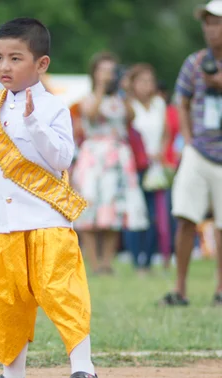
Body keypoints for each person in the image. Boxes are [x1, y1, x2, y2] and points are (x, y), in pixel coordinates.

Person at [0, 18, 99, 378]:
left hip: (46, 223)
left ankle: (83, 372)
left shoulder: (55, 108)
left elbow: (61, 157)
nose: (4, 66)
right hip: (2, 228)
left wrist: (34, 121)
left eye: (16, 58)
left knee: (63, 295)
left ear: (41, 64)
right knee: (6, 303)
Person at [161, 0, 222, 306]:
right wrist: (186, 139)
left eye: (217, 22)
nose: (212, 29)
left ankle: (221, 290)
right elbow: (180, 102)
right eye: (208, 23)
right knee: (185, 217)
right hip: (198, 150)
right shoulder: (195, 62)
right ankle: (180, 288)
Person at [72, 52, 148, 274]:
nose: (108, 74)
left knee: (114, 209)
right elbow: (92, 114)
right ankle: (94, 262)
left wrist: (123, 90)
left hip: (117, 155)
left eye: (111, 70)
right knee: (89, 207)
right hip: (94, 155)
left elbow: (131, 117)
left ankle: (107, 263)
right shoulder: (88, 97)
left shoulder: (119, 99)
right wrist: (100, 88)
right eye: (103, 70)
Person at [124, 64, 173, 273]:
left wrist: (161, 151)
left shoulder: (159, 103)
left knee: (156, 213)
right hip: (135, 165)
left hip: (154, 165)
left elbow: (166, 131)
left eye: (149, 81)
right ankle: (136, 260)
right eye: (142, 81)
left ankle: (149, 259)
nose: (146, 86)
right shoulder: (129, 105)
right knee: (136, 212)